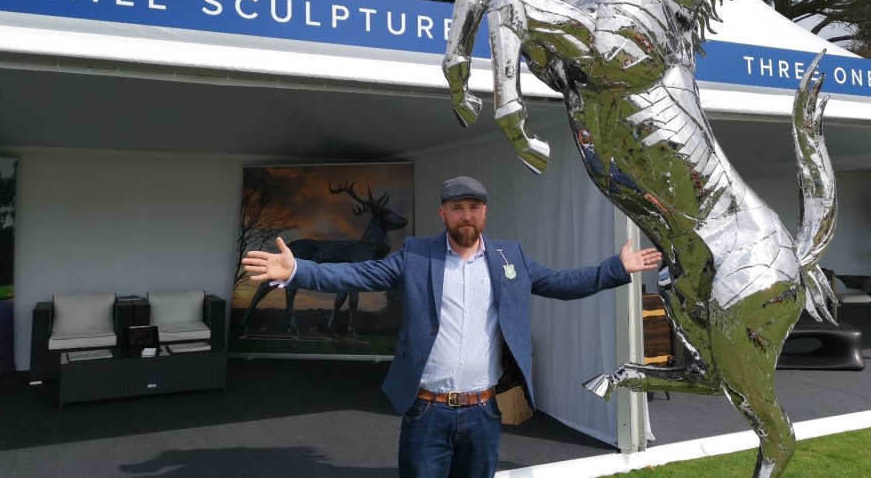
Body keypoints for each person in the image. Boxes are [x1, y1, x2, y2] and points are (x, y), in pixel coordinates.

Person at [242, 175, 661, 477]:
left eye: (474, 207)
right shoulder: (415, 254)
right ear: (443, 213)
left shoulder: (508, 257)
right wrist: (298, 270)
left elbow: (562, 283)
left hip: (484, 411)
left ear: (484, 213)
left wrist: (616, 269)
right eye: (457, 207)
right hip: (427, 410)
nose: (467, 215)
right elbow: (357, 275)